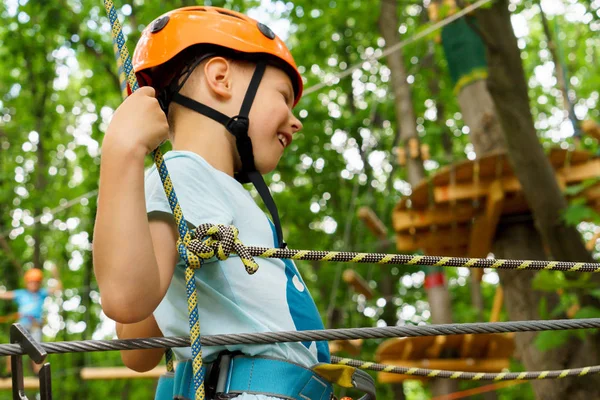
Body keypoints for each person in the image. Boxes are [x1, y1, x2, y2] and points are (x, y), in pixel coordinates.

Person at [93, 6, 340, 400]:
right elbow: (126, 302)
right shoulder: (187, 174)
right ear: (221, 78)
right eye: (283, 97)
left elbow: (138, 349)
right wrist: (122, 150)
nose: (296, 122)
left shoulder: (216, 193)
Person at [0, 267, 62, 375]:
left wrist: (56, 275)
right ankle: (9, 372)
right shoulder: (21, 294)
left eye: (36, 282)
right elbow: (3, 295)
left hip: (35, 325)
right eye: (31, 282)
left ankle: (39, 373)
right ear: (27, 283)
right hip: (22, 325)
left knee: (38, 348)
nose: (33, 284)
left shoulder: (41, 293)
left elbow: (57, 289)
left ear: (39, 283)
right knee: (12, 347)